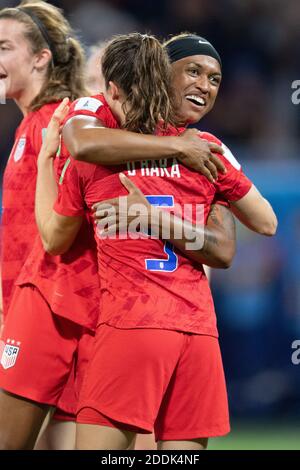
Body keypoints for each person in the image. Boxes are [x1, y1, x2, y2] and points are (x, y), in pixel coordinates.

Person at [35, 33, 276, 450]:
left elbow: (55, 238)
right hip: (198, 333)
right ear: (158, 76)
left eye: (215, 79)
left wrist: (45, 163)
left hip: (132, 324)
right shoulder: (206, 152)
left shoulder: (96, 154)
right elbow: (261, 223)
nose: (205, 85)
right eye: (194, 72)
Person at [0, 1, 90, 449]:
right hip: (40, 305)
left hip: (48, 307)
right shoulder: (30, 126)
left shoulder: (54, 122)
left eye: (3, 47)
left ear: (41, 58)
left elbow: (71, 218)